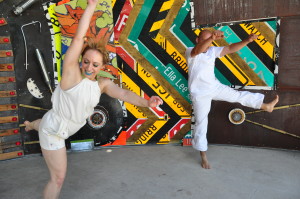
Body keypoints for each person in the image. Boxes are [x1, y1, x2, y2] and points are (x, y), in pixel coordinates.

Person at [24, 0, 163, 198]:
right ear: (80, 61)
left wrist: (147, 102)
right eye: (86, 62)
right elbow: (79, 38)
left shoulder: (102, 84)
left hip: (56, 122)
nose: (89, 68)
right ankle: (33, 126)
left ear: (102, 67)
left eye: (95, 65)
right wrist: (91, 7)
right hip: (55, 132)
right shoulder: (71, 75)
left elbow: (124, 94)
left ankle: (30, 125)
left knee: (44, 122)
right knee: (58, 178)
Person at [185, 29, 279, 169]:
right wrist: (212, 37)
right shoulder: (190, 51)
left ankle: (265, 106)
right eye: (205, 39)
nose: (209, 42)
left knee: (238, 95)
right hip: (200, 94)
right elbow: (199, 50)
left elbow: (229, 48)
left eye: (210, 39)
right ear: (198, 40)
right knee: (201, 122)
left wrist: (247, 40)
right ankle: (203, 155)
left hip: (214, 87)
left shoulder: (212, 51)